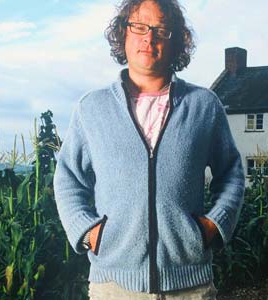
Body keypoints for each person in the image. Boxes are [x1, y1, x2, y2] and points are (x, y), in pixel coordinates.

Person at [53, 0, 245, 298]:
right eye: (139, 26)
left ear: (176, 40)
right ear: (123, 33)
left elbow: (231, 173)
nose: (149, 37)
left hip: (190, 286)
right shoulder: (92, 108)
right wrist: (90, 233)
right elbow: (68, 177)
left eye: (161, 30)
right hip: (113, 286)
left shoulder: (204, 105)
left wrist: (213, 225)